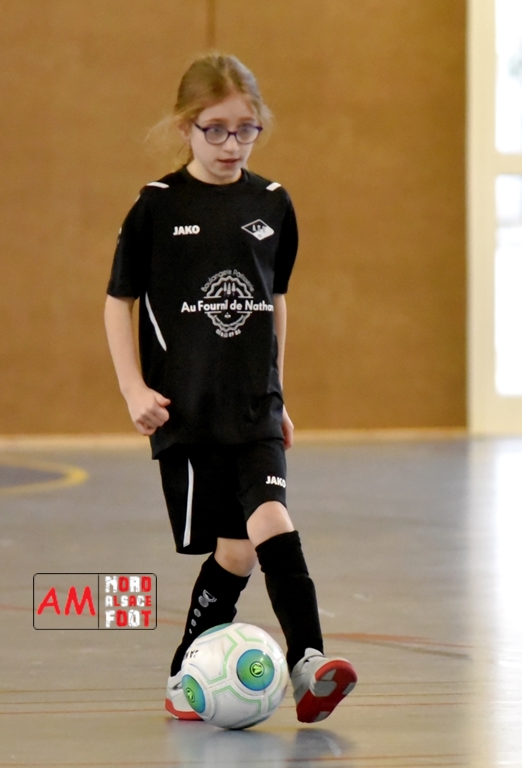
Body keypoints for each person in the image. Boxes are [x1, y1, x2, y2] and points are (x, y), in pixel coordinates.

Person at [103, 53, 356, 723]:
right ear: (185, 127)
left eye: (246, 130)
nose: (230, 144)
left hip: (254, 406)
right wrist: (133, 390)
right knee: (235, 551)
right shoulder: (157, 207)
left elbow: (275, 301)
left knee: (271, 519)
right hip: (187, 413)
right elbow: (118, 301)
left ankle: (309, 663)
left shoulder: (272, 203)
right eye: (214, 129)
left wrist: (279, 392)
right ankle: (183, 674)